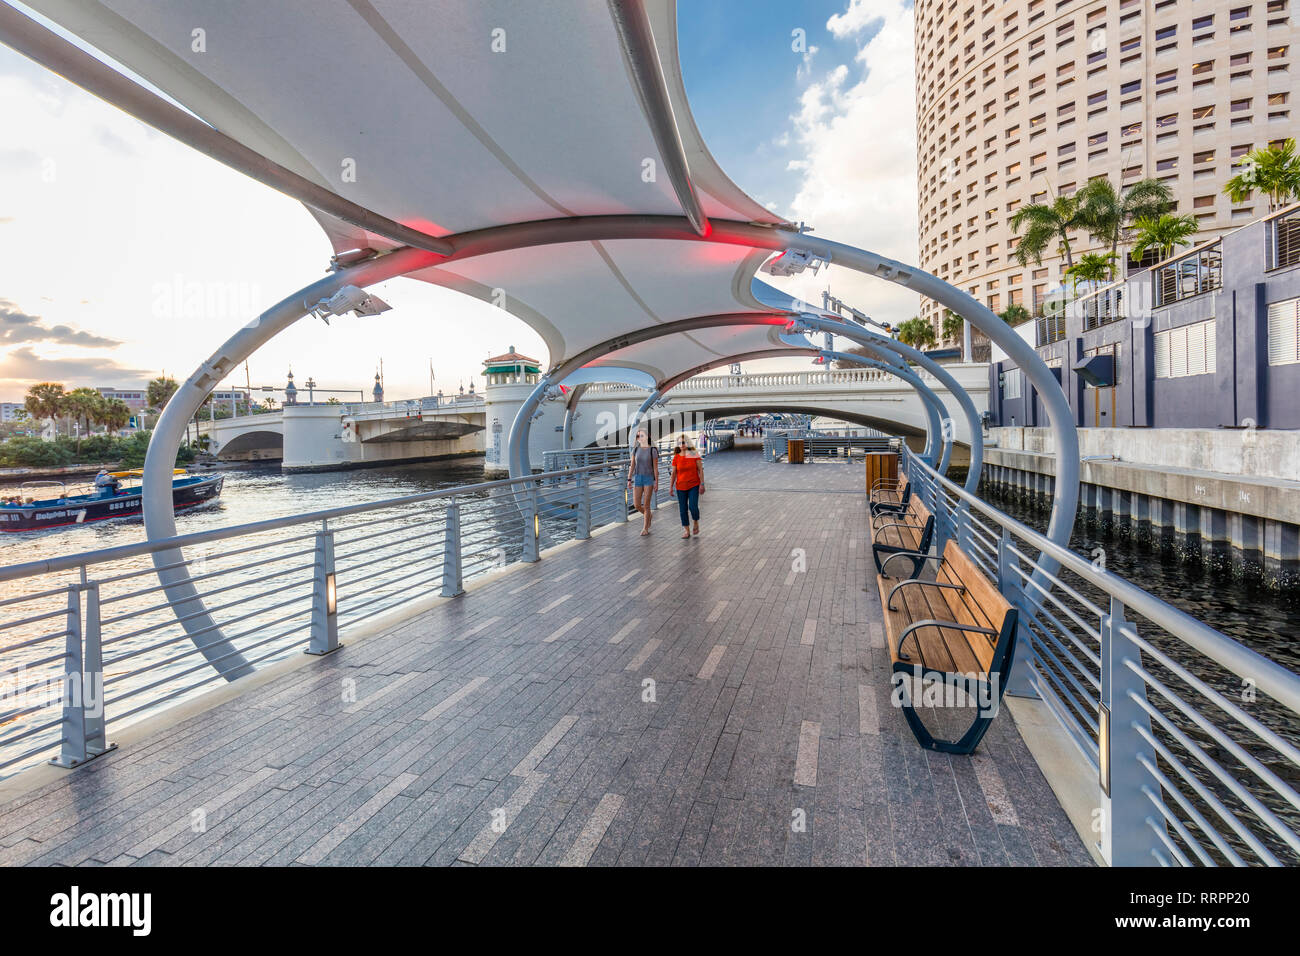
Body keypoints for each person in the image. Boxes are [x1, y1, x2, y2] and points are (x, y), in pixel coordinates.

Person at [669, 436, 705, 539]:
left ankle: (695, 521)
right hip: (680, 486)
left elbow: (700, 470)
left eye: (683, 442)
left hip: (693, 485)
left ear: (687, 443)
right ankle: (687, 530)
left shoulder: (693, 454)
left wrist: (702, 484)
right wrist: (671, 487)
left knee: (693, 507)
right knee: (682, 509)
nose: (682, 444)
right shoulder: (676, 457)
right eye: (679, 442)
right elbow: (674, 473)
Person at [625, 429, 659, 536]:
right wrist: (629, 479)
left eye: (642, 436)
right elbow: (632, 466)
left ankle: (645, 528)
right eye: (638, 436)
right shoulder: (635, 450)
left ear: (647, 437)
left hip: (649, 478)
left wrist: (656, 482)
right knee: (637, 504)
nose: (640, 438)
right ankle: (648, 515)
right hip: (638, 478)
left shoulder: (652, 450)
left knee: (647, 505)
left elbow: (655, 469)